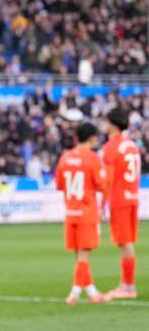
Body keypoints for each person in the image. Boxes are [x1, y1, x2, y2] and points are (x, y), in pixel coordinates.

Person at [55, 122, 107, 305]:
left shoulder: (65, 157)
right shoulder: (93, 158)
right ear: (92, 138)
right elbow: (102, 185)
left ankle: (92, 292)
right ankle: (74, 294)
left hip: (70, 212)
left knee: (78, 255)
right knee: (84, 255)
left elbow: (60, 185)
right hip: (87, 212)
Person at [101, 108, 141, 299]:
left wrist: (102, 205)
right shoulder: (132, 145)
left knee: (124, 243)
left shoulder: (111, 146)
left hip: (120, 199)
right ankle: (127, 284)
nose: (103, 124)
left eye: (105, 121)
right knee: (127, 242)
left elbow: (107, 180)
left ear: (113, 124)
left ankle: (128, 286)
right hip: (132, 197)